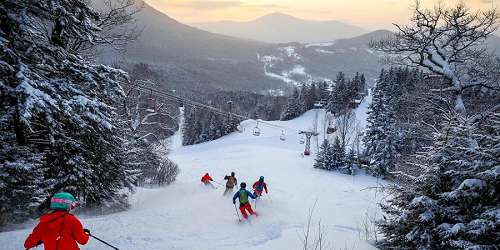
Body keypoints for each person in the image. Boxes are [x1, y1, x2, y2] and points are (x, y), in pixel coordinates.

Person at [24, 192, 90, 250]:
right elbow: (83, 241)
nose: (72, 208)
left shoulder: (43, 223)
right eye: (72, 206)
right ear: (67, 205)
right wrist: (85, 234)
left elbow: (27, 244)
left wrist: (40, 239)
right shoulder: (72, 220)